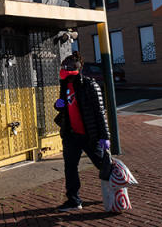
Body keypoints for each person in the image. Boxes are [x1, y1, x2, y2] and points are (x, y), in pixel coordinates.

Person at [53, 52, 110, 212]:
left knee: (104, 165)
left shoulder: (90, 85)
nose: (64, 71)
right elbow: (65, 107)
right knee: (70, 168)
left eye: (68, 67)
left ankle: (116, 191)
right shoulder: (64, 85)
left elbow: (100, 112)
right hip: (71, 135)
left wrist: (105, 137)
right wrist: (59, 105)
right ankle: (73, 200)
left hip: (89, 135)